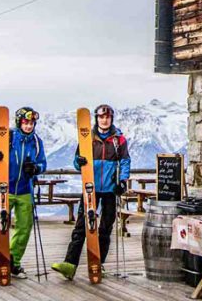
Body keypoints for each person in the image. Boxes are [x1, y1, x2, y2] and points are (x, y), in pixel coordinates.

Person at [52, 104, 130, 281]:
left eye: (107, 117)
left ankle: (98, 263)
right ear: (97, 119)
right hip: (90, 187)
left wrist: (123, 181)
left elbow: (125, 161)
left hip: (110, 188)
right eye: (101, 117)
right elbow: (76, 162)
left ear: (111, 119)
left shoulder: (119, 140)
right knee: (81, 226)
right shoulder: (87, 137)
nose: (104, 120)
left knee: (105, 227)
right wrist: (78, 162)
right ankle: (70, 264)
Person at [0, 106, 47, 280]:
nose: (29, 126)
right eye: (26, 122)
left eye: (31, 123)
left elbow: (43, 164)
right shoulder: (8, 137)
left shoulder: (36, 141)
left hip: (25, 190)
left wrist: (35, 168)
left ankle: (13, 261)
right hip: (5, 188)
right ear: (19, 122)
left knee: (24, 228)